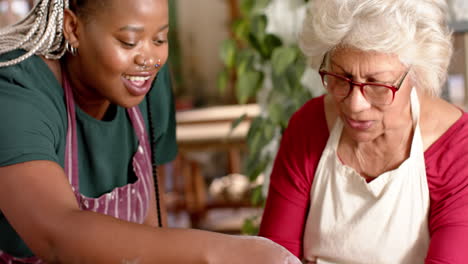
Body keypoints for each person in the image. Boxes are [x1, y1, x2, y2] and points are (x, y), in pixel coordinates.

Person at [0, 0, 302, 263]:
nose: (149, 59)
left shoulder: (146, 87)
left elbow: (152, 231)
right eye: (129, 42)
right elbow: (55, 234)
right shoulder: (16, 90)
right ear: (73, 28)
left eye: (160, 38)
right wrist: (222, 251)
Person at [259, 0, 468, 263]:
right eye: (341, 78)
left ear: (417, 75)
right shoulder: (309, 126)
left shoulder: (458, 149)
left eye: (377, 84)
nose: (355, 105)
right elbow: (274, 255)